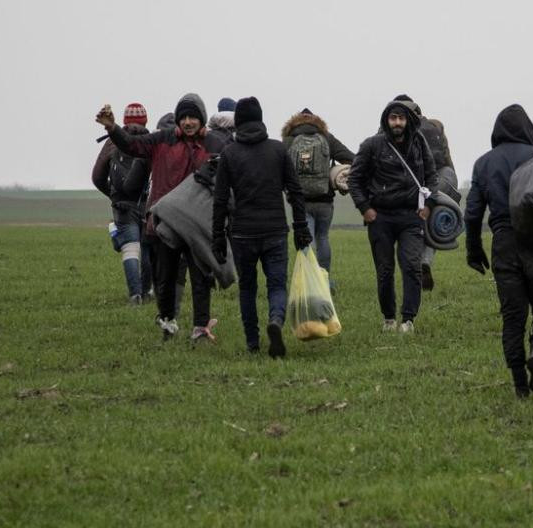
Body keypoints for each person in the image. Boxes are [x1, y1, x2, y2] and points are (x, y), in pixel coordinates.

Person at [96, 93, 225, 343]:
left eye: (193, 117)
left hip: (197, 223)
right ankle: (167, 319)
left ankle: (200, 326)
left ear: (202, 119)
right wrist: (112, 128)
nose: (188, 122)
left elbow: (232, 168)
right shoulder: (162, 140)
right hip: (164, 222)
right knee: (164, 277)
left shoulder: (215, 144)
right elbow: (132, 145)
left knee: (201, 277)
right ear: (178, 120)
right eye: (184, 117)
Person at [464, 104, 533, 398]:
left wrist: (474, 248)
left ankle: (520, 384)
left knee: (512, 316)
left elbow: (472, 213)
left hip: (504, 243)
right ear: (527, 129)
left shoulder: (484, 163)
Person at [212, 96, 310, 357]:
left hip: (242, 232)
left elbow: (220, 200)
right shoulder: (278, 150)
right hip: (275, 230)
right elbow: (295, 191)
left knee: (247, 288)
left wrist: (218, 237)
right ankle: (276, 321)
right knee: (277, 285)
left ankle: (253, 343)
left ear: (239, 123)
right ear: (261, 119)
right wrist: (301, 226)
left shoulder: (229, 154)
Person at [349, 99, 439, 333]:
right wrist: (365, 208)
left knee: (412, 266)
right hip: (381, 217)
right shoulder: (371, 145)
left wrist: (428, 205)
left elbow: (432, 176)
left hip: (411, 215)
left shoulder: (419, 143)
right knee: (385, 270)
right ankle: (389, 318)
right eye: (393, 118)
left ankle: (408, 319)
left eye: (401, 118)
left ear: (408, 120)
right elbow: (354, 179)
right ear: (386, 121)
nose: (397, 123)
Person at [392, 94, 457, 291]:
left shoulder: (391, 126)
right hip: (437, 182)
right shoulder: (435, 126)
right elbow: (447, 160)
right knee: (432, 222)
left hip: (407, 186)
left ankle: (412, 271)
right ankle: (425, 262)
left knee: (407, 229)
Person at [281, 108, 355, 275]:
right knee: (322, 238)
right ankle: (324, 280)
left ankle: (309, 281)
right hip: (324, 201)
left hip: (300, 200)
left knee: (306, 240)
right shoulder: (327, 138)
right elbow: (352, 158)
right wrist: (336, 171)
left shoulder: (289, 139)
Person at [91, 101, 151, 303]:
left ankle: (135, 295)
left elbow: (98, 176)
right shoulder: (150, 140)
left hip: (122, 205)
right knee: (148, 247)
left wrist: (113, 194)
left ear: (124, 121)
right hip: (146, 202)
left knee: (130, 247)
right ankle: (147, 291)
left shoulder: (112, 142)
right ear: (146, 120)